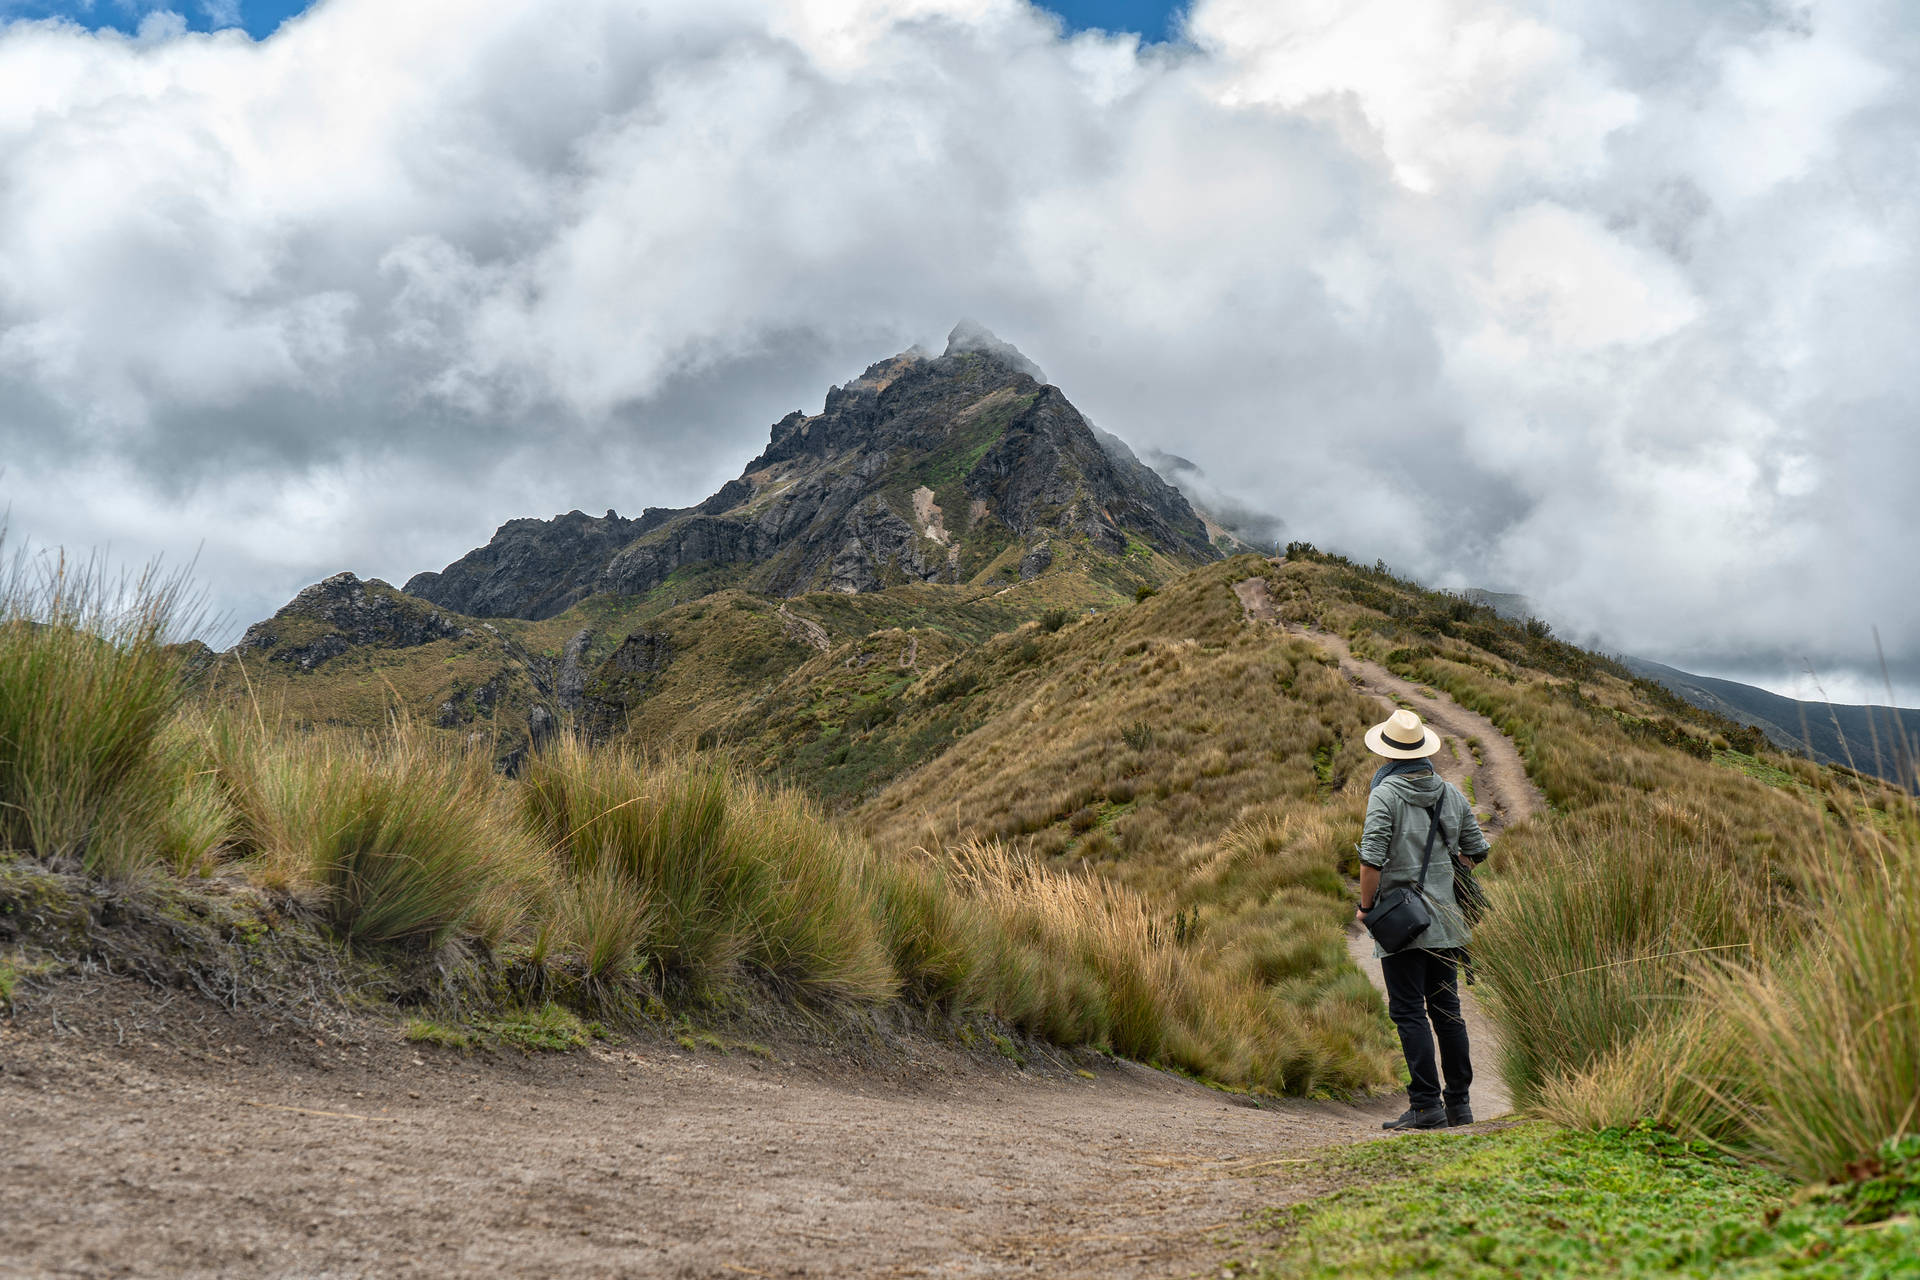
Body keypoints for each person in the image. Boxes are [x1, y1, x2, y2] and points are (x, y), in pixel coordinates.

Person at [1356, 707, 1490, 1130]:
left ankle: (1424, 1105)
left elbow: (1371, 858)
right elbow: (1476, 850)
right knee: (1447, 1010)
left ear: (1389, 754)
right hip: (1448, 922)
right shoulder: (1450, 793)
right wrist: (1442, 875)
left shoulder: (1385, 794)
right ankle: (1459, 1105)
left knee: (1410, 1011)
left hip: (1403, 922)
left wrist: (1366, 907)